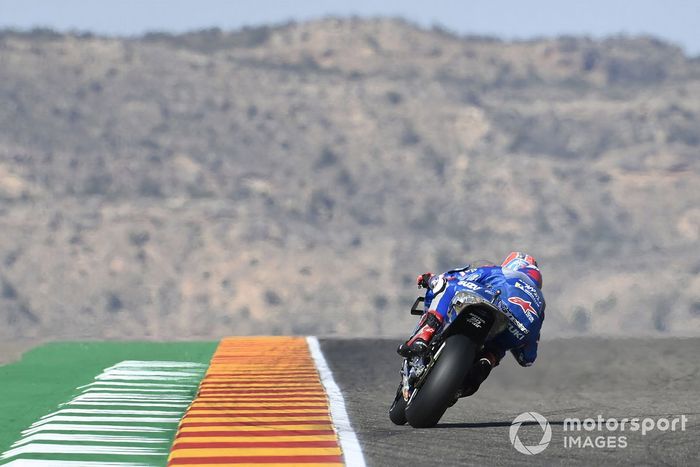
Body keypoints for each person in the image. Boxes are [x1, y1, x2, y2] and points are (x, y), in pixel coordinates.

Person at [397, 251, 545, 398]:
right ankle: (482, 367)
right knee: (497, 349)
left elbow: (454, 278)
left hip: (490, 300)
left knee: (446, 286)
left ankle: (423, 338)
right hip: (518, 329)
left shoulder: (500, 271)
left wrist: (429, 279)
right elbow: (527, 358)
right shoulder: (540, 304)